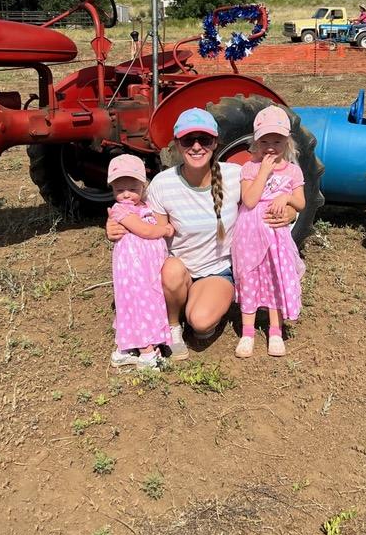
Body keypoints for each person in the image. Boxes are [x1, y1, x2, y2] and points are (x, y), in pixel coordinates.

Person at [105, 107, 298, 359]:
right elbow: (145, 221)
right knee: (172, 270)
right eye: (188, 140)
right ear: (177, 144)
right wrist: (115, 224)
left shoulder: (234, 175)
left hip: (217, 270)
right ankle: (173, 325)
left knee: (201, 322)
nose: (196, 147)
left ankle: (196, 306)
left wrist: (290, 212)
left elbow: (269, 196)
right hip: (179, 270)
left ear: (215, 143)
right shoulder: (163, 183)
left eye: (204, 139)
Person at [231, 106, 306, 359]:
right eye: (264, 141)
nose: (270, 147)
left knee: (275, 277)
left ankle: (275, 331)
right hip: (249, 236)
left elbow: (301, 202)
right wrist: (263, 172)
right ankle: (247, 333)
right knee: (249, 278)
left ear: (287, 142)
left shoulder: (293, 171)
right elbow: (249, 200)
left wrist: (286, 198)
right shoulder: (249, 168)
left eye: (277, 141)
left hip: (276, 237)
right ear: (255, 142)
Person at [107, 154, 174, 368]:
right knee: (141, 304)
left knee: (140, 303)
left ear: (143, 186)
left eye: (132, 188)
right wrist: (165, 230)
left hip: (146, 267)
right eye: (119, 189)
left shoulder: (144, 205)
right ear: (112, 189)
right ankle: (147, 353)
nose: (126, 194)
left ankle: (123, 350)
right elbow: (144, 230)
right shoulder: (121, 210)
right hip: (134, 269)